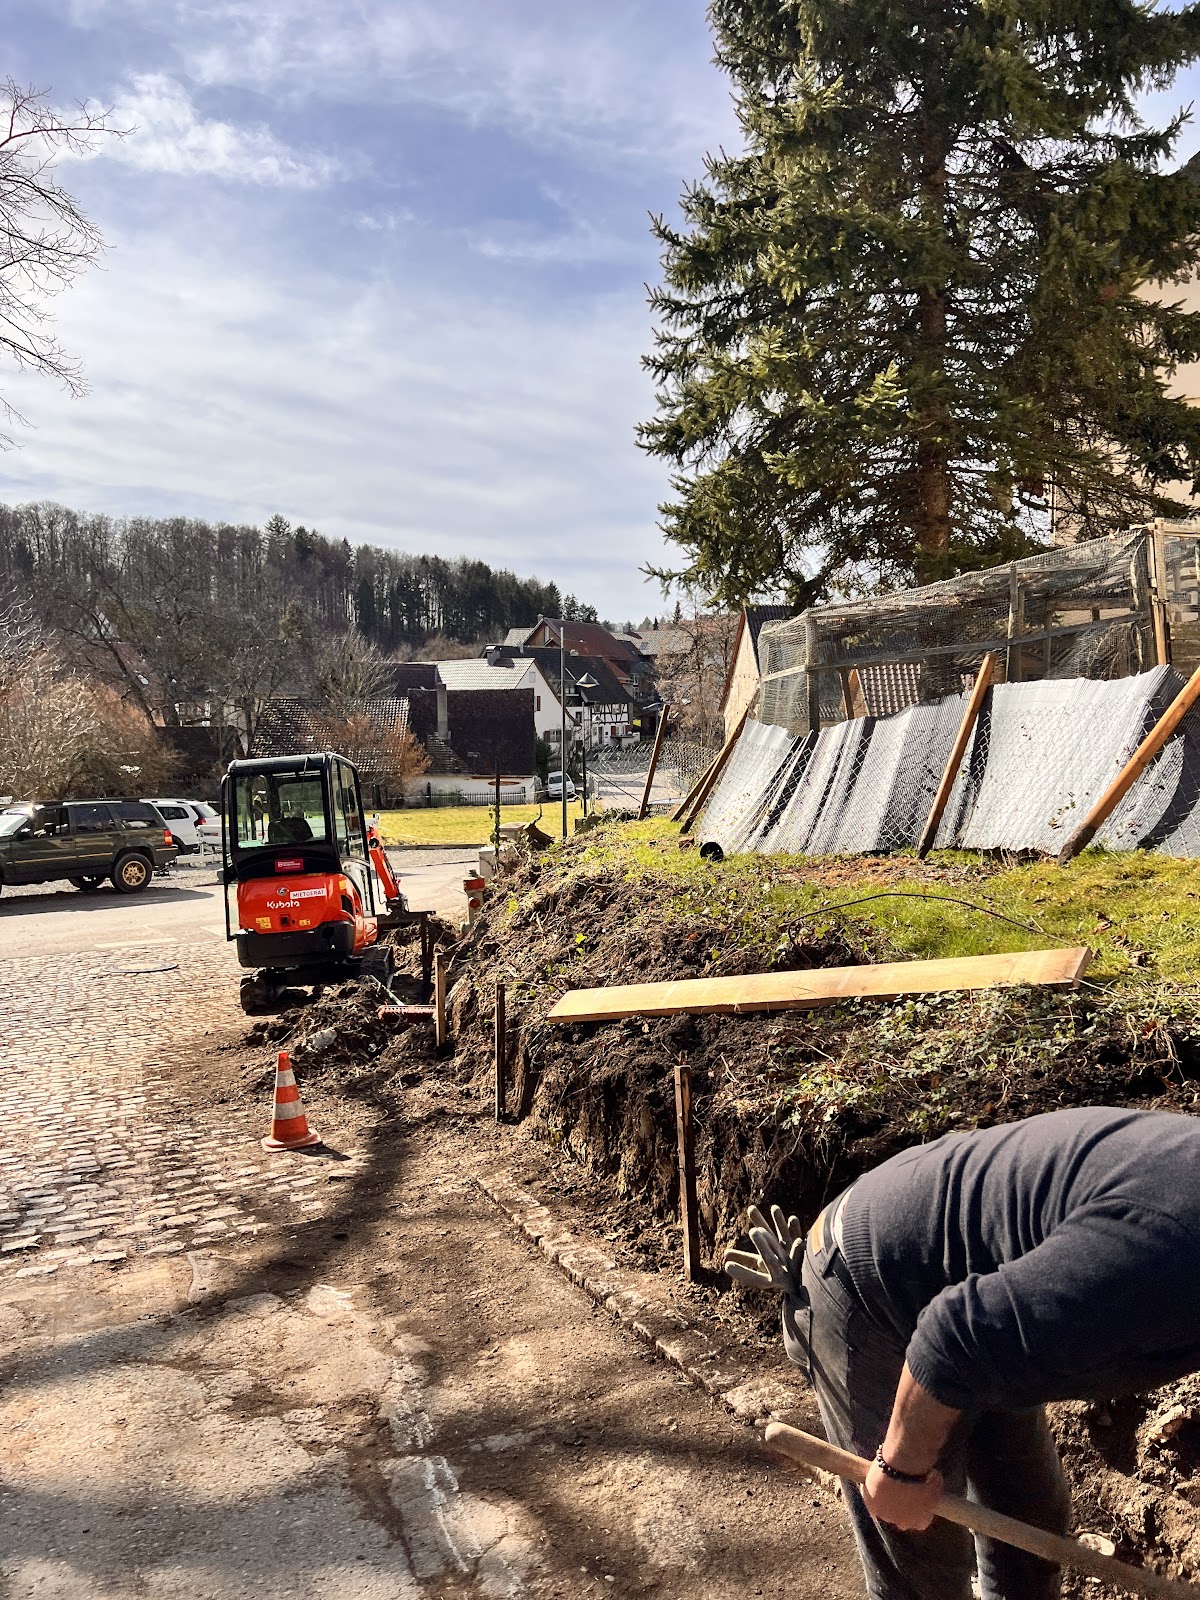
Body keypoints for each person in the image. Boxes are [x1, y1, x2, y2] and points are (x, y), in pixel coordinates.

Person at [726, 1106, 1200, 1600]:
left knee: (1028, 1522)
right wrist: (899, 1470)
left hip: (979, 1297)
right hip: (875, 1286)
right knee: (923, 1557)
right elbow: (949, 1342)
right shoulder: (1162, 1261)